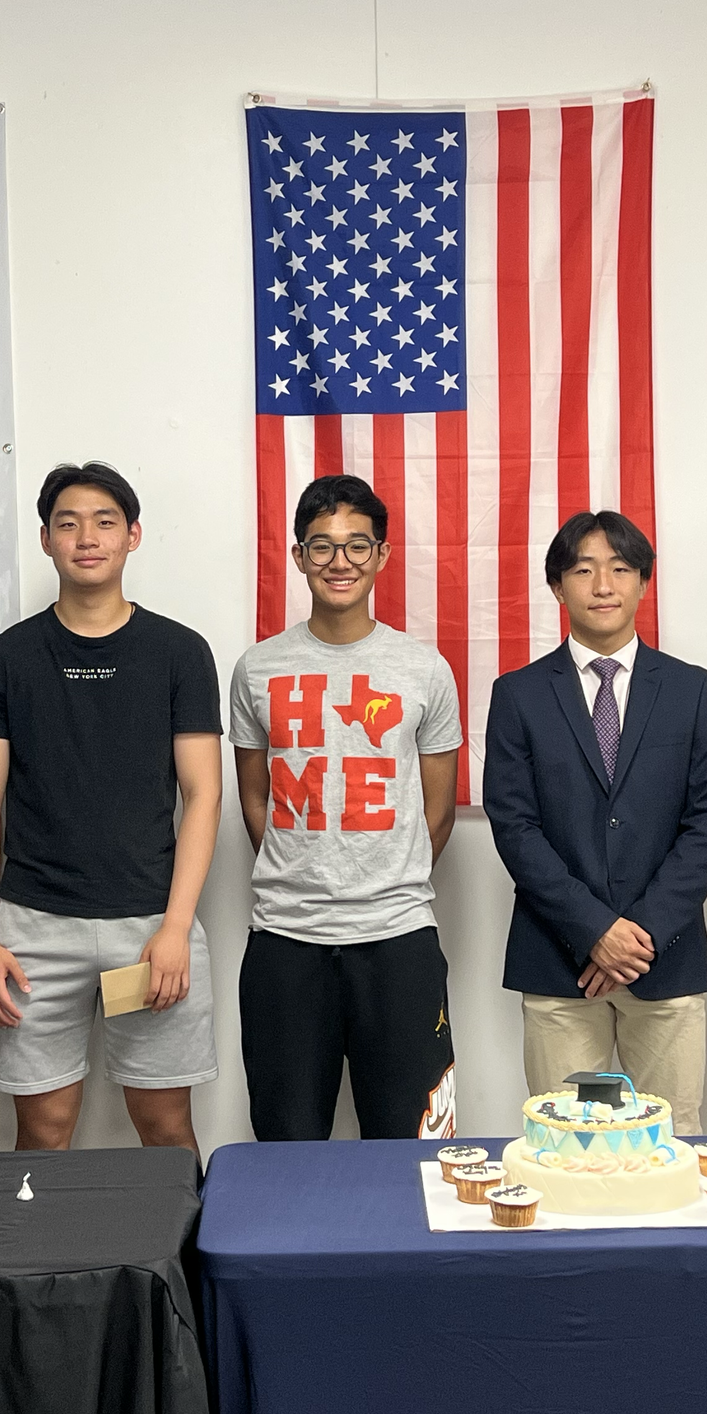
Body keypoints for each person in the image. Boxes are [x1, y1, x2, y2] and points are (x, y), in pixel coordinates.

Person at [0, 461, 223, 1152]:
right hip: (34, 930)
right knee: (42, 1130)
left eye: (105, 522)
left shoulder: (179, 652)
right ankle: (44, 1266)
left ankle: (176, 1265)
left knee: (164, 1126)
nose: (86, 537)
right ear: (45, 539)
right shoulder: (4, 659)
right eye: (68, 523)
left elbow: (203, 795)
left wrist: (176, 926)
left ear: (133, 535)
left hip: (150, 926)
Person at [482, 510, 707, 1134]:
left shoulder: (690, 689)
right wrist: (594, 928)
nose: (603, 585)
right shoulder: (518, 693)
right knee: (569, 1140)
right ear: (557, 586)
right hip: (559, 959)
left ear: (643, 583)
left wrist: (638, 933)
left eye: (620, 569)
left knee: (669, 1136)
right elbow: (514, 824)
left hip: (664, 957)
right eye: (584, 570)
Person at [229, 474, 464, 1140]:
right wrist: (302, 868)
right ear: (299, 556)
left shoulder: (424, 668)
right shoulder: (256, 668)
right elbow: (255, 797)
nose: (341, 562)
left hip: (398, 937)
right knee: (286, 1139)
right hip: (285, 940)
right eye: (323, 546)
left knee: (413, 1142)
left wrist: (383, 873)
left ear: (382, 556)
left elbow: (438, 812)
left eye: (357, 545)